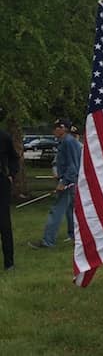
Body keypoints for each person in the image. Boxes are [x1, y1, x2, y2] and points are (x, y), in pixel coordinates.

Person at [28, 118, 82, 248]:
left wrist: (63, 182)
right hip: (71, 181)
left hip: (68, 182)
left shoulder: (68, 142)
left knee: (56, 210)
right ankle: (75, 236)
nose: (54, 130)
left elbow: (72, 166)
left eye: (56, 128)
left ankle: (48, 240)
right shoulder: (67, 141)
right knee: (71, 210)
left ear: (63, 128)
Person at [0, 108, 20, 271]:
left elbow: (14, 158)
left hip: (1, 183)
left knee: (4, 223)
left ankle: (9, 262)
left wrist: (11, 174)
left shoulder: (4, 137)